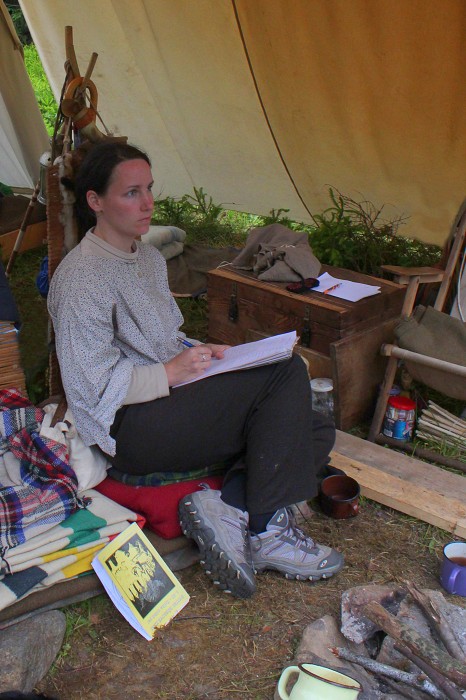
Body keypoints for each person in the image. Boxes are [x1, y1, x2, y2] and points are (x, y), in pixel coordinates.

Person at [48, 141, 344, 599]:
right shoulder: (80, 279)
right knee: (285, 377)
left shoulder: (147, 258)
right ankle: (266, 529)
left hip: (171, 399)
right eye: (131, 193)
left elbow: (164, 337)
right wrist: (169, 372)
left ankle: (229, 506)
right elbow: (89, 388)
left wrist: (198, 351)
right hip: (128, 428)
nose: (147, 203)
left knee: (315, 425)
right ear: (95, 201)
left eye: (149, 188)